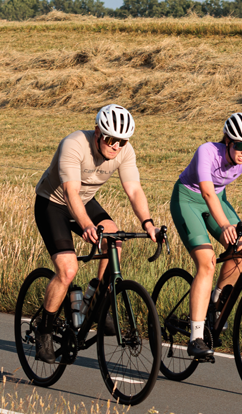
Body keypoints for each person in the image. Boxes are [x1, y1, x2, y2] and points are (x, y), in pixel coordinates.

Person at [32, 104, 159, 362]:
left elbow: (134, 190)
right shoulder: (74, 144)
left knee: (114, 239)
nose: (115, 146)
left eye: (121, 141)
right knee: (67, 270)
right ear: (98, 131)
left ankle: (96, 301)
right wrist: (87, 224)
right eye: (111, 139)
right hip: (53, 203)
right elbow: (69, 192)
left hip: (85, 200)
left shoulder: (124, 152)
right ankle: (44, 330)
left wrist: (148, 223)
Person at [168, 112, 242, 362]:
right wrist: (223, 225)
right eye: (240, 145)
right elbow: (208, 193)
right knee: (207, 261)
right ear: (227, 141)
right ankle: (196, 337)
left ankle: (215, 305)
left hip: (217, 200)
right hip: (188, 199)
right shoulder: (207, 152)